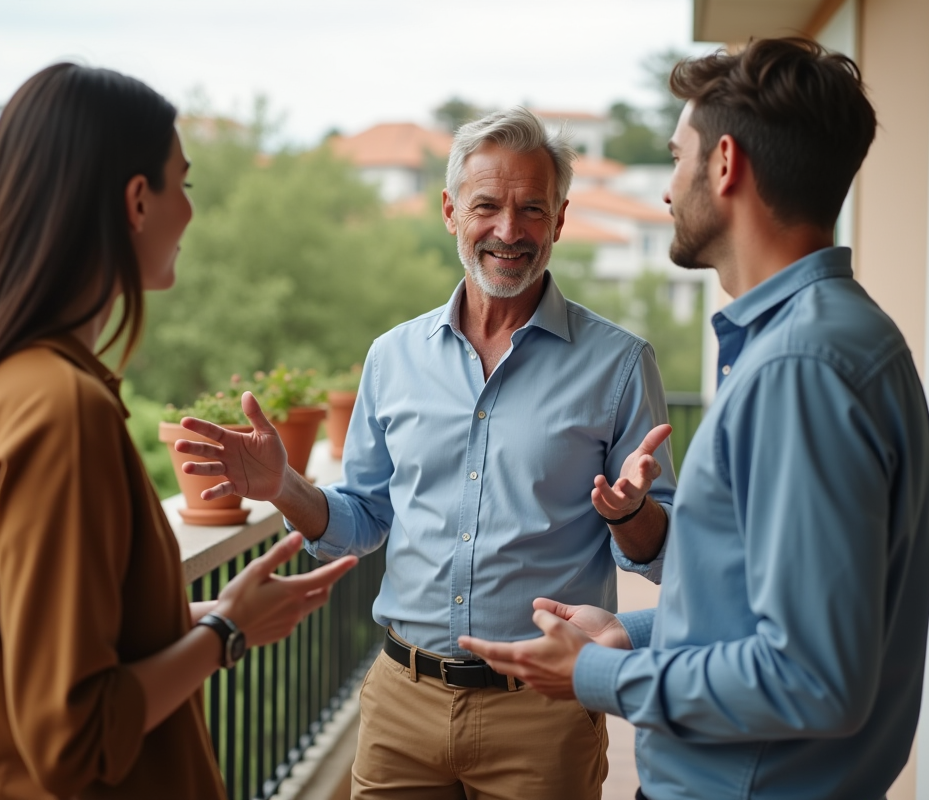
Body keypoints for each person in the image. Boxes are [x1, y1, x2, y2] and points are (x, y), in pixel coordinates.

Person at [460, 38, 929, 800]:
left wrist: (600, 673)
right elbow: (762, 609)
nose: (666, 190)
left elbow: (811, 678)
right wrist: (630, 632)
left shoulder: (800, 370)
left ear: (724, 164)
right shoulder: (829, 339)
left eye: (676, 158)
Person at [175, 106, 677, 800]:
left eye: (533, 209)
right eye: (487, 206)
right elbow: (365, 519)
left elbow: (659, 555)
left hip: (544, 708)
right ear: (450, 212)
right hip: (401, 702)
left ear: (560, 220)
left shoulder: (620, 364)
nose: (509, 230)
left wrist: (630, 515)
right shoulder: (393, 356)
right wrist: (285, 486)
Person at [0, 64, 357, 800]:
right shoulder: (62, 411)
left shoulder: (2, 378)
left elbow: (37, 634)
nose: (190, 211)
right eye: (185, 184)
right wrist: (226, 638)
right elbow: (70, 737)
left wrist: (211, 613)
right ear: (137, 200)